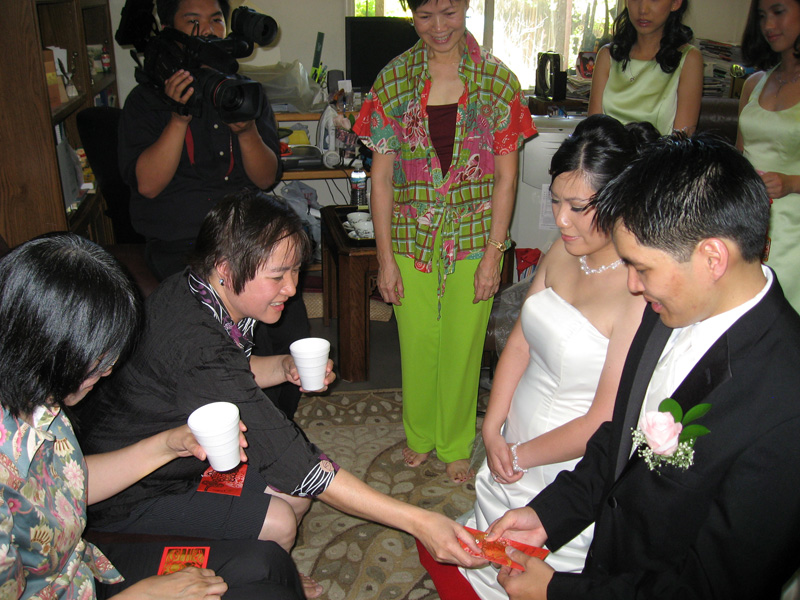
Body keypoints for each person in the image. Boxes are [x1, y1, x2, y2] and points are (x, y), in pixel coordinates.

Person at [75, 192, 486, 583]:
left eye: (295, 271)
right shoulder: (194, 342)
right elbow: (294, 459)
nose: (292, 288)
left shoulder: (197, 289)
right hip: (133, 492)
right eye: (277, 276)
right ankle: (264, 575)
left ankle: (272, 569)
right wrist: (419, 521)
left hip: (184, 451)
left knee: (296, 496)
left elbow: (226, 374)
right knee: (281, 518)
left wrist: (284, 365)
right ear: (225, 267)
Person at [484, 134, 800, 599]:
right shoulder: (667, 309)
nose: (631, 285)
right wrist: (549, 514)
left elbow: (714, 587)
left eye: (643, 268)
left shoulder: (786, 405)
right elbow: (623, 436)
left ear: (712, 258)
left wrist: (557, 593)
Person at [0, 232, 306, 600]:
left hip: (85, 562)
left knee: (271, 563)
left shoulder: (38, 403)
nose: (109, 370)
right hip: (87, 575)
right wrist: (143, 594)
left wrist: (166, 445)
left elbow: (69, 480)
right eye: (97, 358)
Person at [451, 116, 652, 599]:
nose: (561, 220)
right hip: (515, 429)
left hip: (568, 457)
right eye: (556, 201)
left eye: (578, 207)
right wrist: (492, 427)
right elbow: (521, 341)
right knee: (489, 547)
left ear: (622, 200)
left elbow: (605, 419)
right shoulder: (562, 252)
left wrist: (519, 454)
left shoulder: (638, 291)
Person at [353, 0, 536, 483]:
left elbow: (506, 179)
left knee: (463, 344)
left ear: (467, 6)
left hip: (475, 237)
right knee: (417, 341)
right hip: (410, 236)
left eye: (449, 13)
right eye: (425, 16)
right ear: (412, 14)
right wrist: (384, 259)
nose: (438, 27)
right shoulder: (393, 81)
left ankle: (454, 442)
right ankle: (419, 435)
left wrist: (494, 254)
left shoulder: (498, 82)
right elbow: (381, 180)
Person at [119, 0, 282, 280]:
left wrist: (247, 132)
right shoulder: (145, 99)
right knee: (208, 300)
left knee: (282, 295)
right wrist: (178, 119)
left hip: (242, 236)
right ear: (168, 29)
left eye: (216, 20)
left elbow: (266, 180)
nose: (207, 30)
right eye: (193, 21)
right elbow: (148, 186)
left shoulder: (241, 93)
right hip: (179, 243)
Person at [737, 0, 800, 312]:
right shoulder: (753, 83)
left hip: (793, 232)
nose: (768, 26)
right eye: (762, 16)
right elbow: (737, 157)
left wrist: (791, 182)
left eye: (779, 12)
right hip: (746, 222)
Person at [588, 0, 703, 135]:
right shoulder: (607, 56)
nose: (643, 10)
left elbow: (682, 142)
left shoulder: (689, 59)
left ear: (675, 3)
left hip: (662, 149)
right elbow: (592, 133)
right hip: (605, 149)